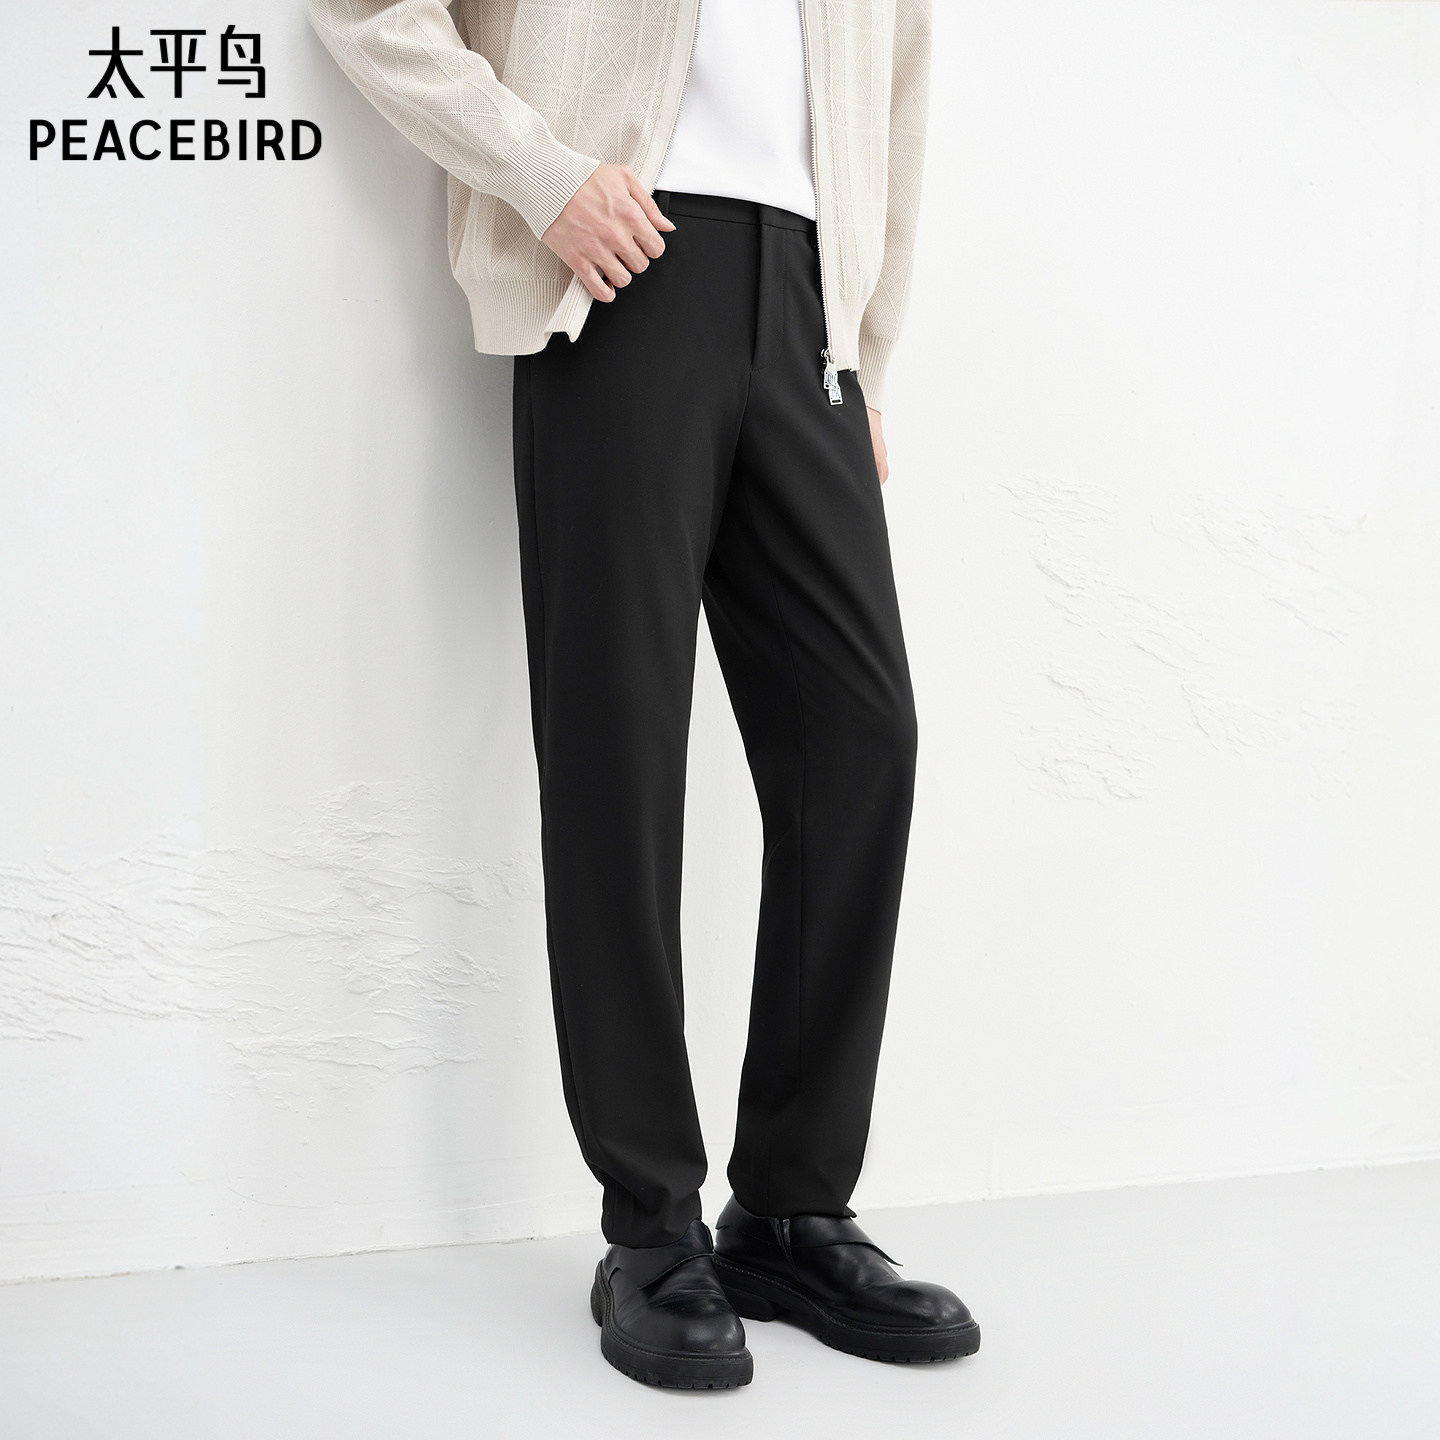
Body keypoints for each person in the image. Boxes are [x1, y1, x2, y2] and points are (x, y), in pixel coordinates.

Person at [305, 0, 979, 1389]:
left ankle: (790, 1210)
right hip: (619, 268)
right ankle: (651, 1228)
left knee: (862, 740)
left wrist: (868, 346)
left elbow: (899, 90)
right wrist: (541, 174)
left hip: (808, 302)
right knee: (619, 747)